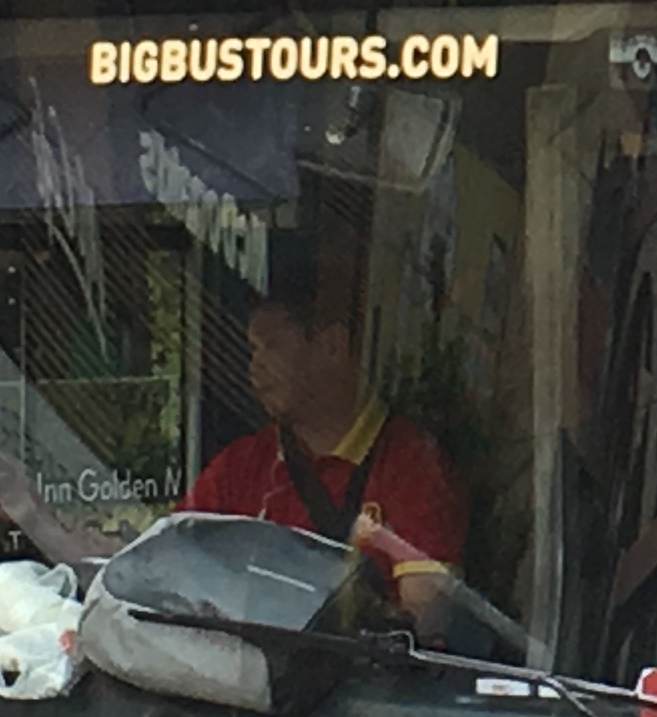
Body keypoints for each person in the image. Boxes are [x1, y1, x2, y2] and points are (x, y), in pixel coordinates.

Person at [182, 270, 481, 650]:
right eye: (253, 350)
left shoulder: (413, 465)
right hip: (246, 692)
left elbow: (424, 625)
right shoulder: (241, 467)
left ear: (332, 347)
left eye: (271, 346)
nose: (253, 367)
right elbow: (172, 569)